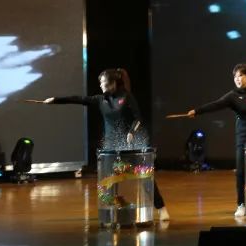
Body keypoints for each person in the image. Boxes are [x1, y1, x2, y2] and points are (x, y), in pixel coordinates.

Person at [44, 68, 169, 221]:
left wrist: (131, 132)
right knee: (109, 181)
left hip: (130, 147)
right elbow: (79, 99)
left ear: (113, 83)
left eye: (103, 83)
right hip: (110, 147)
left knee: (145, 177)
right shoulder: (100, 100)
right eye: (100, 83)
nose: (100, 86)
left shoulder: (126, 97)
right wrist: (55, 100)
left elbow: (138, 119)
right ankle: (114, 210)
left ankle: (161, 208)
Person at [184, 63, 246, 218]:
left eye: (241, 76)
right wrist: (197, 111)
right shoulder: (233, 96)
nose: (237, 79)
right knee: (241, 172)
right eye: (235, 76)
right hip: (243, 138)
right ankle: (241, 204)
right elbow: (216, 104)